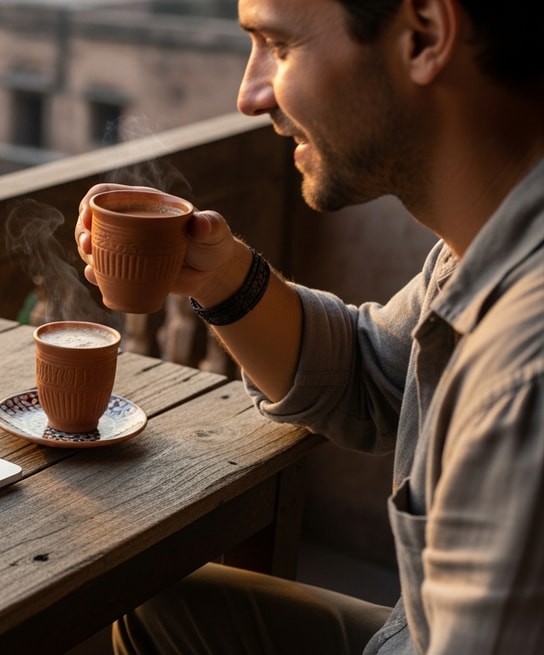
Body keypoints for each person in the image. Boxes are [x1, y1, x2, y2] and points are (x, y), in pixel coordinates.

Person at [74, 0, 544, 652]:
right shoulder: (482, 241)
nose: (249, 95)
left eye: (278, 45)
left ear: (424, 37)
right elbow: (368, 373)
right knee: (155, 607)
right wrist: (219, 276)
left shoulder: (523, 379)